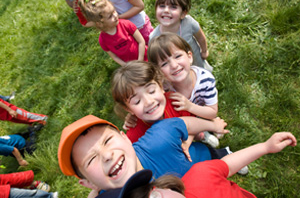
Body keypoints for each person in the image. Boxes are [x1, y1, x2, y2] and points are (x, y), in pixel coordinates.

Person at [57, 115, 229, 193]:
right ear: (88, 183)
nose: (107, 155)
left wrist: (214, 126)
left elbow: (184, 124)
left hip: (213, 164)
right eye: (91, 159)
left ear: (125, 138)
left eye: (107, 140)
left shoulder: (160, 138)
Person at [95, 132, 297, 198]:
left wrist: (265, 146)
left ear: (163, 187)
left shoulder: (199, 174)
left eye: (155, 197)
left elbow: (226, 165)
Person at [111, 60, 219, 148]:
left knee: (197, 133)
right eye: (137, 101)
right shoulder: (135, 136)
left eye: (152, 91)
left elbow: (192, 122)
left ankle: (202, 136)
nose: (149, 102)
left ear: (161, 87)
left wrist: (188, 142)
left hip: (187, 137)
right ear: (128, 109)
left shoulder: (175, 101)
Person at [148, 33, 222, 142]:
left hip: (201, 112)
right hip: (180, 119)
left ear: (189, 57)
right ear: (159, 72)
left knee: (209, 119)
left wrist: (189, 107)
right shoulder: (162, 87)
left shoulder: (205, 80)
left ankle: (208, 127)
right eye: (164, 64)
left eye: (177, 56)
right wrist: (132, 118)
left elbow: (212, 112)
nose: (174, 65)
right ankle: (200, 134)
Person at [149, 0, 213, 72]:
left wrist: (204, 51)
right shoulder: (154, 37)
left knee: (199, 76)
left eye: (173, 7)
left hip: (195, 61)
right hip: (175, 68)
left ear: (183, 14)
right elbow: (156, 61)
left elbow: (200, 37)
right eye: (162, 6)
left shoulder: (189, 23)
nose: (166, 10)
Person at [78, 0, 147, 66]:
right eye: (110, 16)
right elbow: (114, 57)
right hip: (132, 66)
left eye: (114, 11)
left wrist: (140, 60)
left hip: (145, 56)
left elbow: (141, 41)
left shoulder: (125, 24)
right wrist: (126, 66)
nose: (115, 15)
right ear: (100, 23)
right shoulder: (103, 40)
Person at [84, 0, 153, 44]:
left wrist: (117, 17)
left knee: (157, 50)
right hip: (125, 32)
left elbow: (139, 6)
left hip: (140, 26)